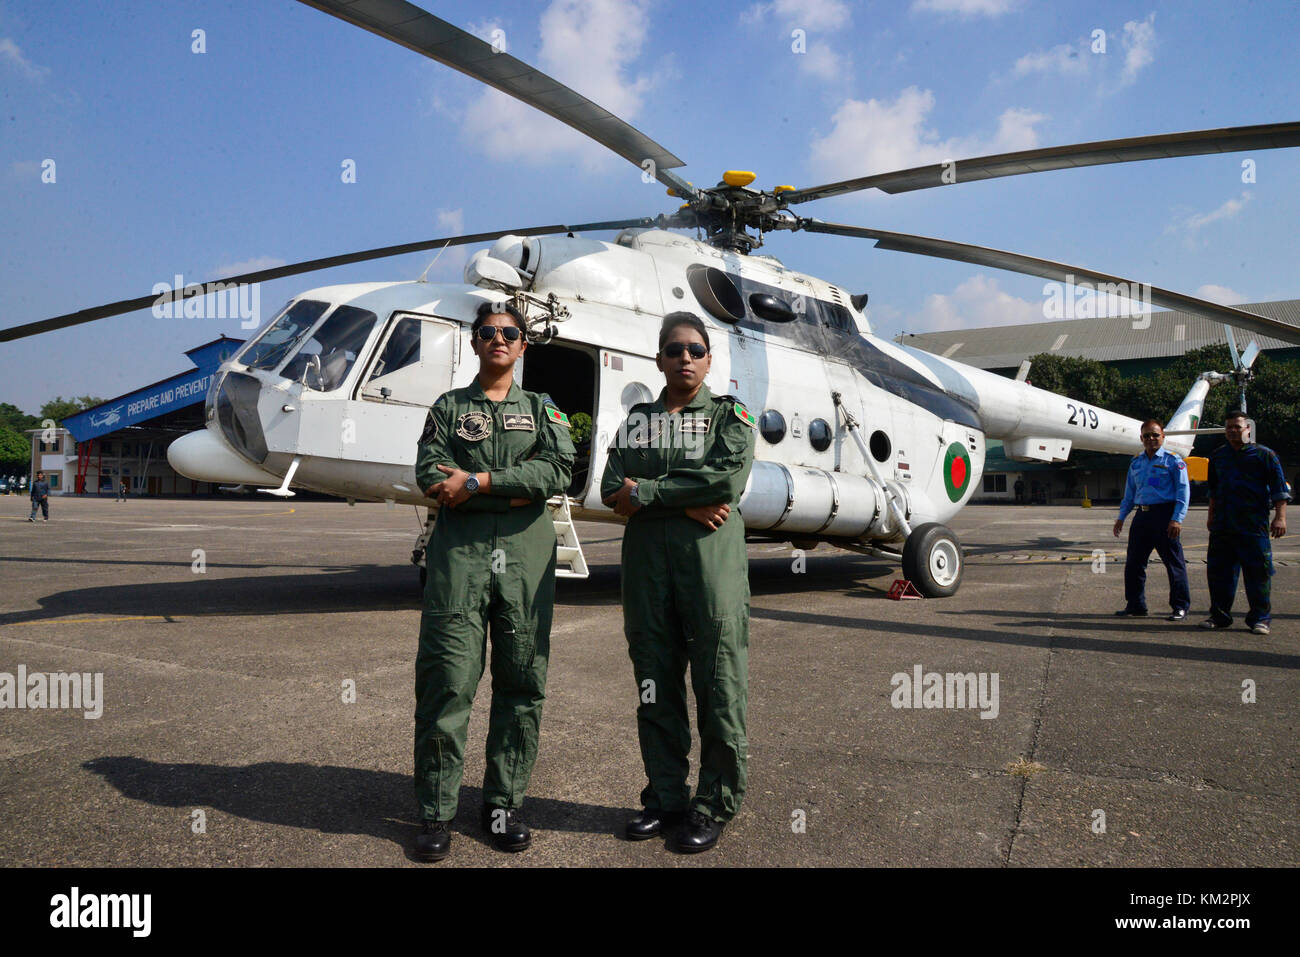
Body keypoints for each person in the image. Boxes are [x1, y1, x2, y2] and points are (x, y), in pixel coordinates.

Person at [411, 301, 575, 862]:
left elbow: (557, 471)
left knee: (522, 682)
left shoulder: (543, 407)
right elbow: (430, 472)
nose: (498, 340)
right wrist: (510, 488)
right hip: (460, 560)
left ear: (523, 345)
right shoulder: (450, 407)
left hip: (525, 562)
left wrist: (479, 481)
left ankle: (503, 805)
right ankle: (435, 812)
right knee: (448, 682)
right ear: (475, 343)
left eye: (509, 333)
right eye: (488, 332)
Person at [601, 312, 756, 854]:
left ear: (709, 358)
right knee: (655, 688)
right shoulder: (638, 419)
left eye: (695, 349)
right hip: (647, 576)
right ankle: (665, 797)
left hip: (709, 574)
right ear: (659, 358)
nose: (684, 357)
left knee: (718, 686)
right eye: (673, 350)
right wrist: (684, 502)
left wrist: (645, 494)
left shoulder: (730, 415)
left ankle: (713, 804)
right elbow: (606, 485)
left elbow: (724, 479)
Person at [1202, 411, 1289, 635]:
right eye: (1228, 427)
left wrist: (1280, 517)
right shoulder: (1218, 456)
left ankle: (1260, 618)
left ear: (1248, 428)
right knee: (1219, 573)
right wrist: (1211, 516)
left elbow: (1280, 490)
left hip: (1253, 525)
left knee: (1258, 573)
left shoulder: (1265, 455)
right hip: (1222, 524)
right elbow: (1213, 490)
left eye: (1237, 427)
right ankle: (1220, 616)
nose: (1232, 431)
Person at [1113, 419, 1191, 620]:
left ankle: (1180, 606)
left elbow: (1183, 493)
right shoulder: (1136, 463)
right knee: (1134, 564)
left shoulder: (1174, 461)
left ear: (1163, 437)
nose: (1151, 439)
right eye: (1146, 435)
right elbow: (1129, 494)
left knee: (1174, 564)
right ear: (1141, 438)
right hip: (1142, 517)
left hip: (1165, 517)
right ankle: (1136, 605)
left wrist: (1177, 519)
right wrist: (1121, 517)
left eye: (1155, 435)